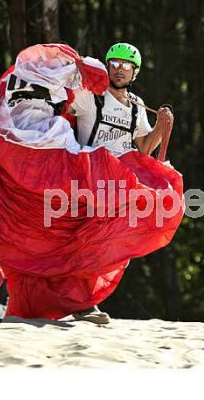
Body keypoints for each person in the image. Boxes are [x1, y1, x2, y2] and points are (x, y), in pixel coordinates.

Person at [67, 43, 174, 324]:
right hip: (89, 177)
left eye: (126, 66)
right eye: (113, 64)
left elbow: (144, 149)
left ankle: (85, 302)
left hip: (120, 184)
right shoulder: (89, 96)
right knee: (88, 240)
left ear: (134, 73)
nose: (118, 70)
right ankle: (83, 304)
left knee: (108, 244)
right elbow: (60, 103)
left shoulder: (137, 108)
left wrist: (161, 128)